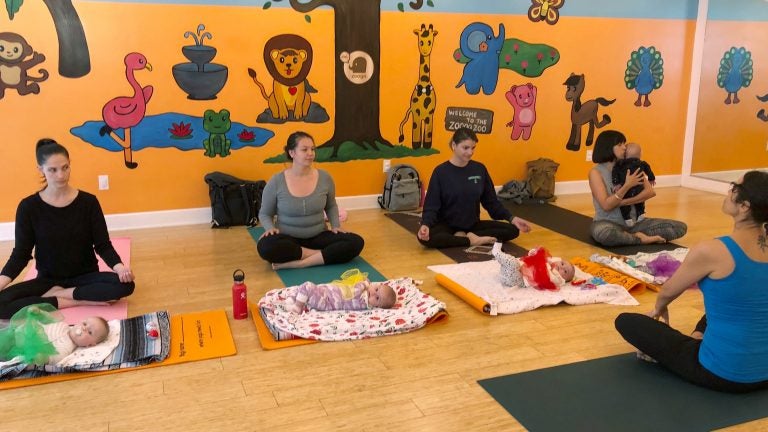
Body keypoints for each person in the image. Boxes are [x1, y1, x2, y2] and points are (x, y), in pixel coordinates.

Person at [615, 171, 768, 393]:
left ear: (744, 206)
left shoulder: (711, 250)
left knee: (627, 321)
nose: (729, 191)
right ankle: (699, 336)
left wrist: (659, 307)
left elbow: (668, 291)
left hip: (722, 374)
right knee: (736, 304)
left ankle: (693, 345)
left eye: (734, 187)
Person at [0, 139, 135, 319]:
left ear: (70, 164)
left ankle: (62, 295)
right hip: (47, 281)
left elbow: (103, 245)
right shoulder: (28, 207)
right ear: (40, 170)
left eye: (65, 168)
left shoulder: (89, 202)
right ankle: (74, 300)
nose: (61, 175)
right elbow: (21, 255)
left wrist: (120, 268)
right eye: (53, 170)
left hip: (85, 277)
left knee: (126, 285)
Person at [257, 132, 364, 269]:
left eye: (312, 149)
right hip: (288, 239)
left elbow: (331, 205)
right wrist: (270, 228)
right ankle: (322, 255)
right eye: (304, 149)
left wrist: (336, 225)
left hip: (319, 236)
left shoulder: (325, 178)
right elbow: (265, 213)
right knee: (265, 246)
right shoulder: (276, 181)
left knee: (356, 242)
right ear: (292, 153)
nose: (310, 153)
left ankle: (302, 262)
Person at [418, 128, 532, 248]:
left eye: (473, 148)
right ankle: (471, 240)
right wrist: (426, 224)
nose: (470, 152)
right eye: (465, 148)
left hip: (472, 225)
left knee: (513, 230)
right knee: (425, 239)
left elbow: (491, 203)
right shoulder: (440, 172)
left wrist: (512, 218)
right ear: (454, 145)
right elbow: (431, 206)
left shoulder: (480, 169)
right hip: (447, 226)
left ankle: (466, 237)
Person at [589, 130, 686, 246]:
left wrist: (623, 202)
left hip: (635, 224)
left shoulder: (631, 166)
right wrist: (627, 185)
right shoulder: (596, 173)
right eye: (620, 144)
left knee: (679, 227)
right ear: (608, 147)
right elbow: (606, 205)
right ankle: (640, 239)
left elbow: (650, 192)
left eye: (624, 144)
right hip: (608, 223)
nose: (625, 148)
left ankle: (629, 236)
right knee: (605, 234)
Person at [0, 304, 109, 366]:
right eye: (85, 324)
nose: (84, 328)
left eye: (89, 332)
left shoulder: (67, 348)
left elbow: (53, 357)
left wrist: (42, 357)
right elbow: (48, 320)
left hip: (21, 347)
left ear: (90, 345)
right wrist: (40, 313)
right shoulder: (63, 324)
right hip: (18, 332)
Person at [492, 243, 576, 290]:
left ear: (564, 279)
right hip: (516, 273)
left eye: (565, 271)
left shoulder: (557, 279)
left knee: (512, 262)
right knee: (513, 263)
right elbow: (534, 261)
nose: (561, 267)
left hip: (518, 280)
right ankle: (501, 258)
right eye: (562, 264)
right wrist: (534, 254)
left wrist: (542, 263)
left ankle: (497, 253)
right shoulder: (550, 263)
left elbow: (546, 276)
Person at [611, 142, 656, 226]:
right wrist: (651, 178)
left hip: (626, 192)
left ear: (625, 155)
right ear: (640, 154)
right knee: (640, 203)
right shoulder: (642, 163)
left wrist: (616, 183)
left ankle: (627, 218)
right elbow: (648, 169)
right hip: (638, 189)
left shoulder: (620, 164)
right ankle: (641, 213)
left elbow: (615, 171)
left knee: (625, 208)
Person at [288, 279, 396, 313]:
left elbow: (355, 290)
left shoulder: (363, 302)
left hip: (326, 302)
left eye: (377, 298)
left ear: (377, 306)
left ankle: (297, 307)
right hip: (326, 292)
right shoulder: (366, 293)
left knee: (307, 286)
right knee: (299, 288)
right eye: (376, 289)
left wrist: (364, 284)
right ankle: (291, 300)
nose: (373, 293)